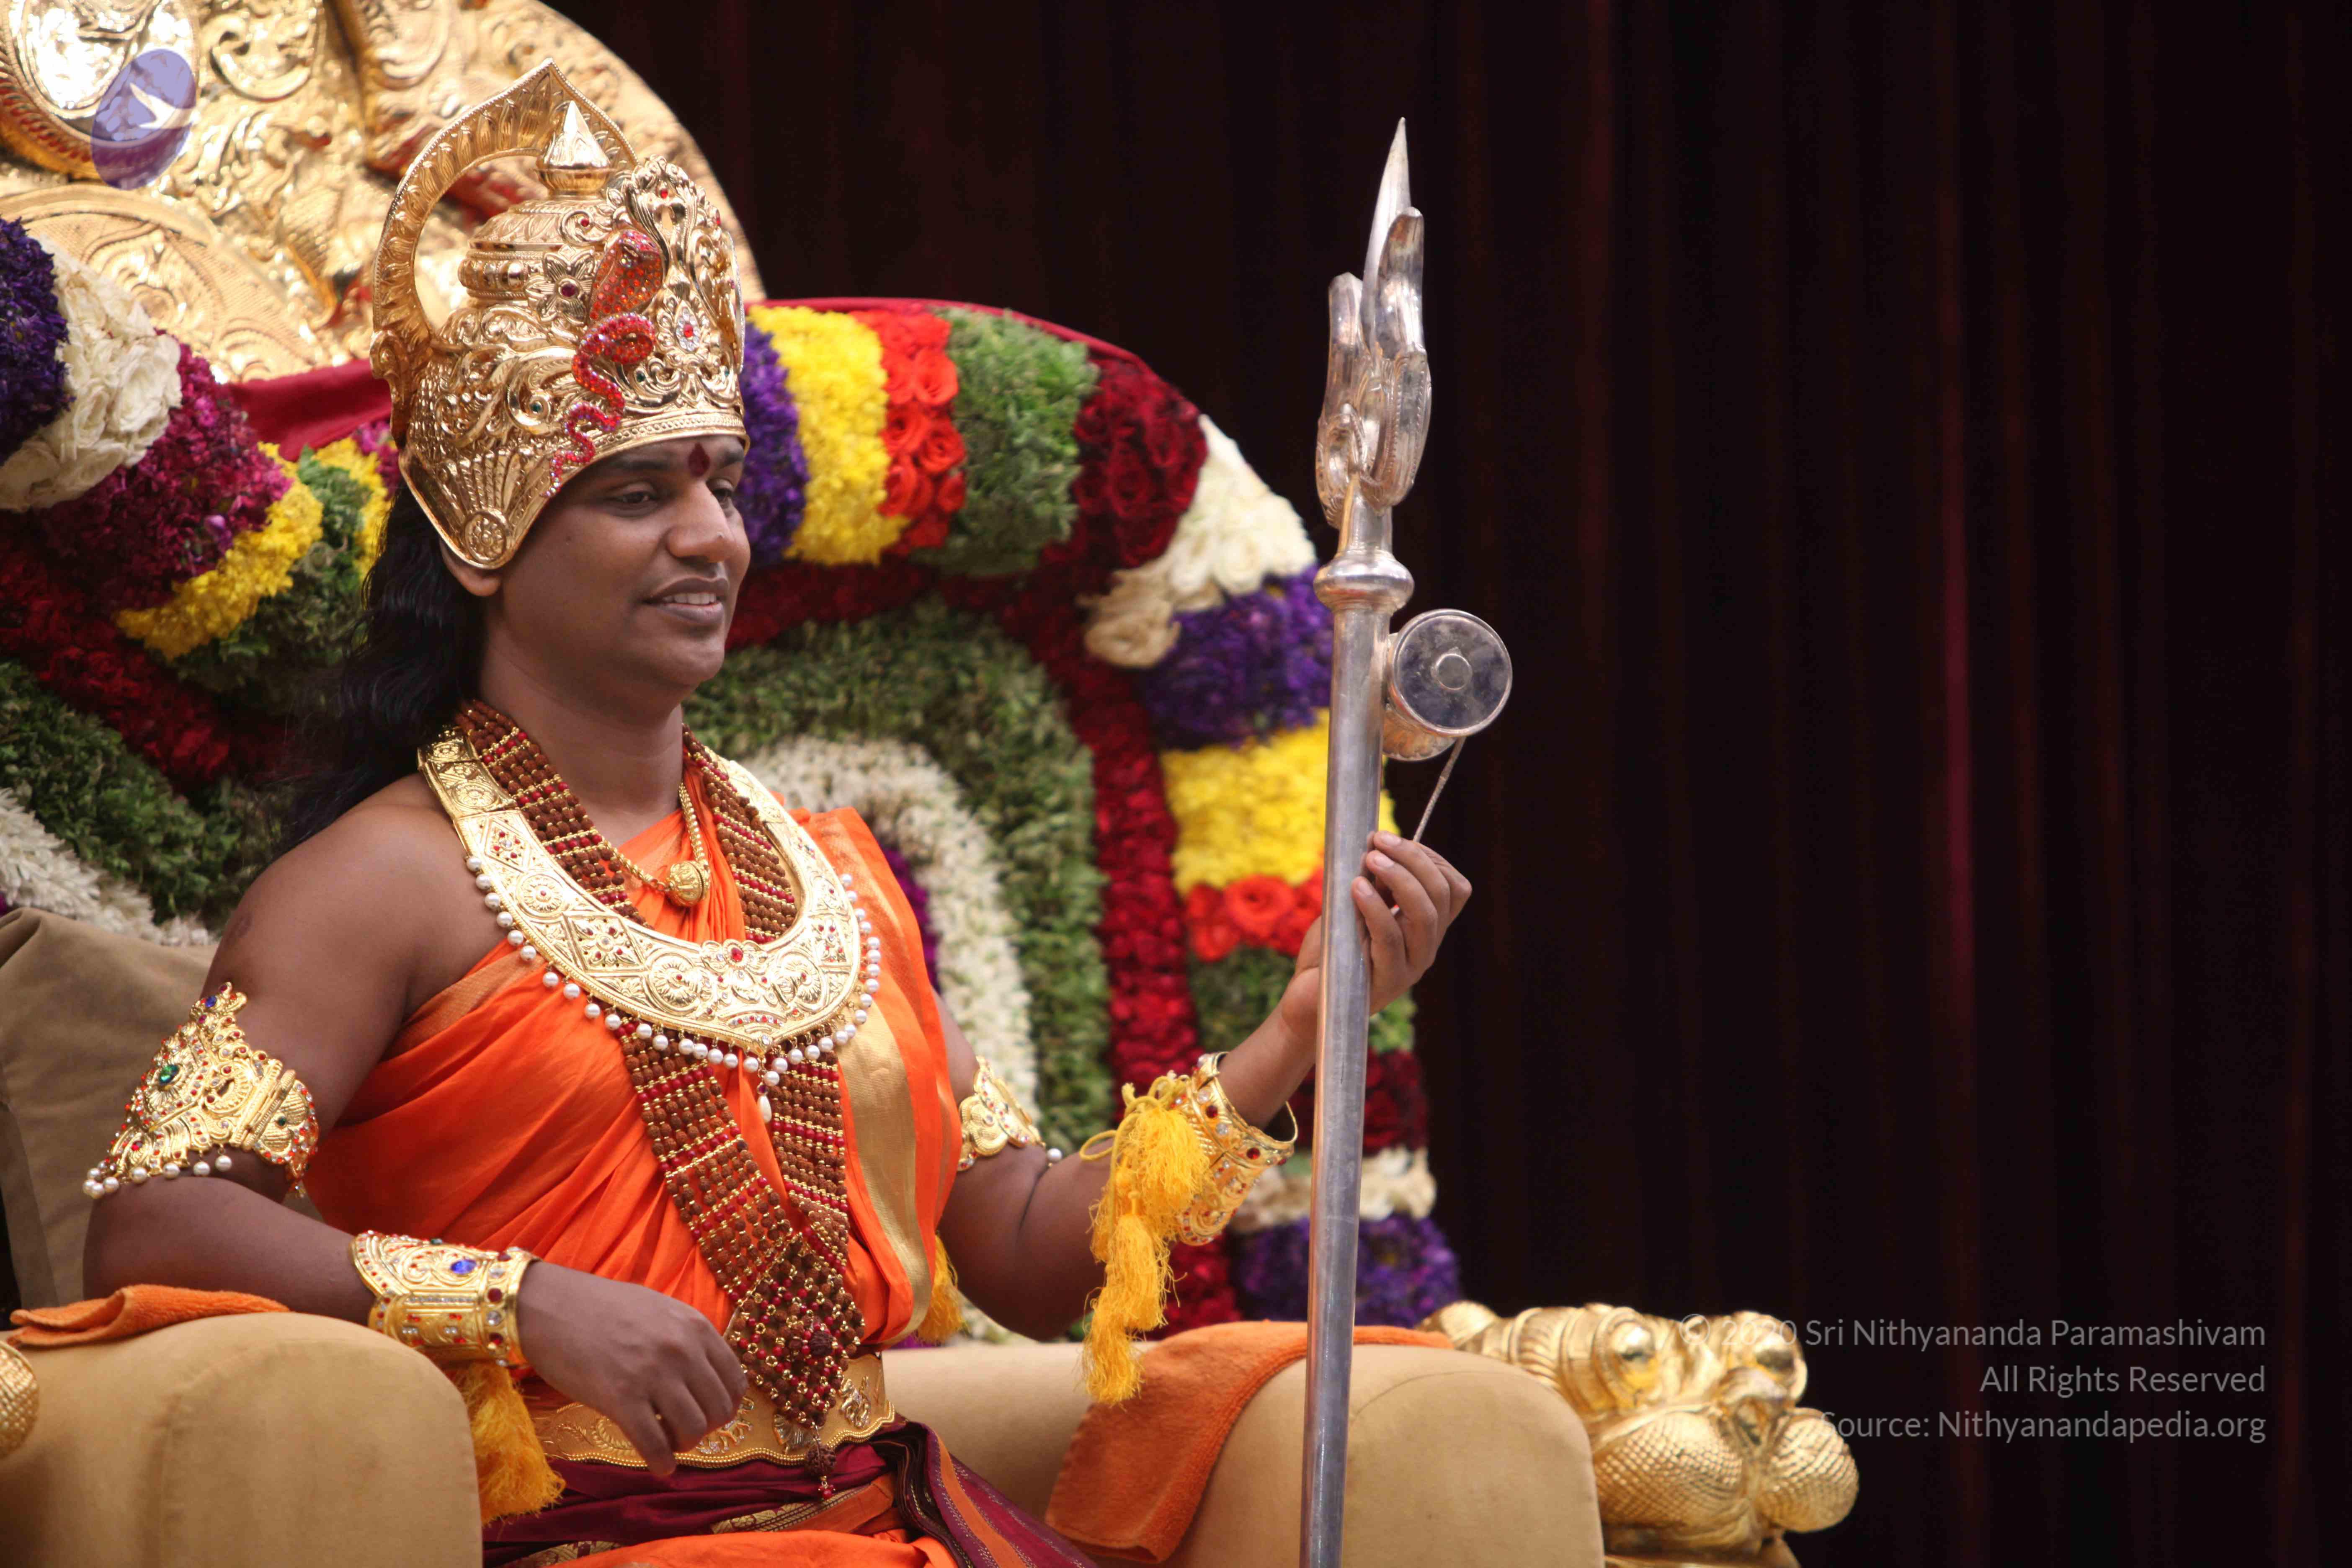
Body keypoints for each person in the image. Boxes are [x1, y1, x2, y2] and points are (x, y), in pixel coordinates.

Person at [77, 65, 1471, 1568]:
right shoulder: (380, 885)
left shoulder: (831, 874)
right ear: (481, 543)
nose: (711, 538)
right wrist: (520, 1303)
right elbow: (156, 1220)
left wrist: (1293, 1035)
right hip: (594, 1535)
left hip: (884, 1518)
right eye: (635, 495)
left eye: (722, 483)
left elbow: (1018, 1246)